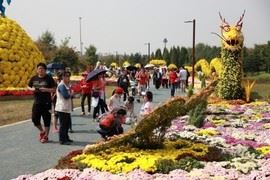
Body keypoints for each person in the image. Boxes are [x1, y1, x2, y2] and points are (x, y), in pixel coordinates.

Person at [28, 63, 56, 143]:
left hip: (46, 102)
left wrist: (46, 90)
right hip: (37, 102)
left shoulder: (49, 78)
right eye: (39, 68)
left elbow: (54, 89)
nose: (40, 70)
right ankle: (42, 131)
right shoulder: (34, 78)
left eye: (42, 69)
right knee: (34, 119)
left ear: (45, 70)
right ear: (37, 70)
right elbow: (28, 86)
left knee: (46, 119)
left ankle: (46, 136)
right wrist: (31, 89)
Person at [54, 71, 74, 145]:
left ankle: (66, 137)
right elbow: (66, 96)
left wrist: (72, 94)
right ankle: (62, 139)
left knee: (67, 123)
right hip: (62, 108)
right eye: (66, 76)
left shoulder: (67, 85)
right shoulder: (61, 85)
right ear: (62, 77)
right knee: (63, 124)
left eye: (69, 76)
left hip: (66, 108)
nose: (68, 77)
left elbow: (70, 95)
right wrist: (71, 94)